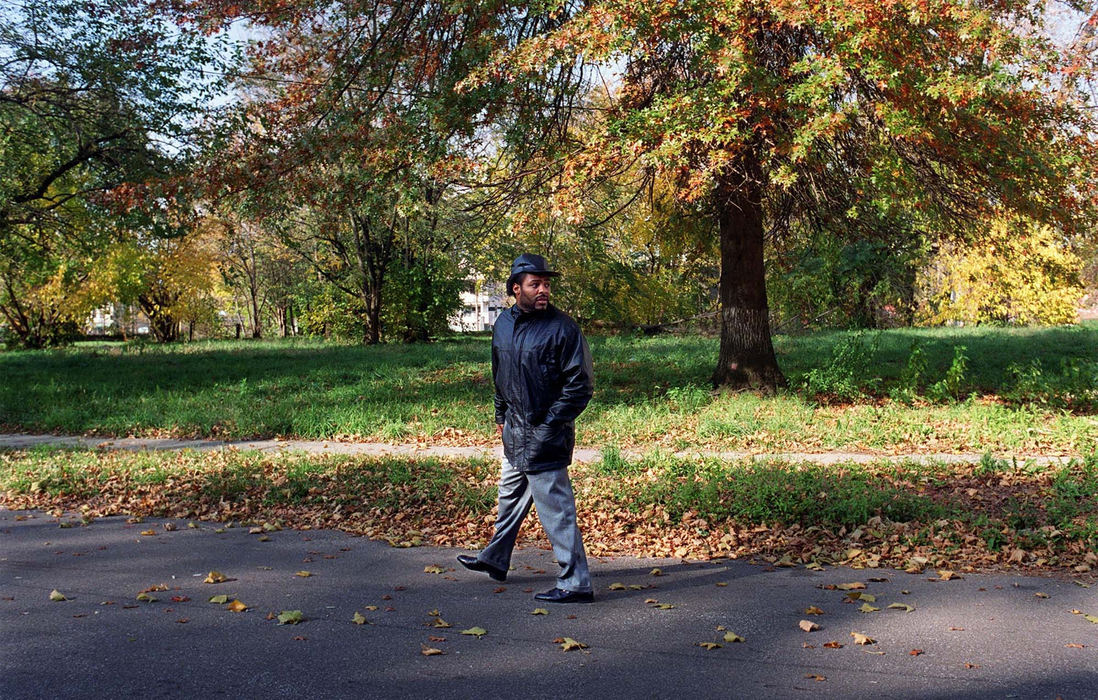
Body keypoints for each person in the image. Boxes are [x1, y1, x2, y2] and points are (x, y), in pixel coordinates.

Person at [457, 253, 595, 603]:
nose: (543, 290)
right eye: (536, 284)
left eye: (546, 284)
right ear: (516, 288)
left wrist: (551, 425)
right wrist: (500, 416)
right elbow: (500, 372)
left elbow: (580, 384)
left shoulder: (563, 328)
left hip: (547, 434)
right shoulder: (503, 323)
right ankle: (496, 558)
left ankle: (576, 583)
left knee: (556, 512)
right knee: (509, 498)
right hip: (514, 433)